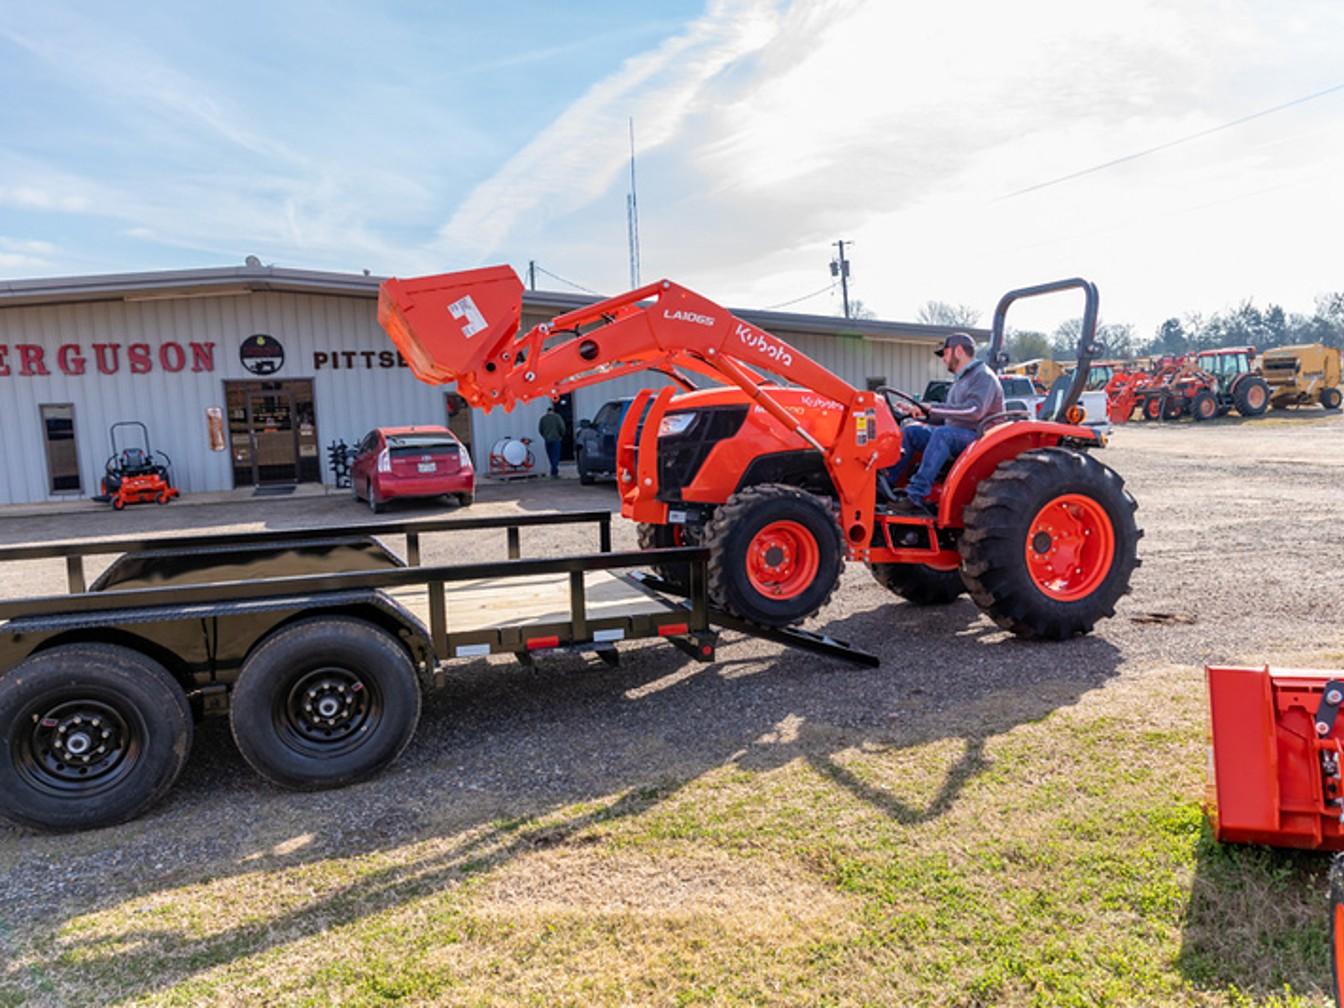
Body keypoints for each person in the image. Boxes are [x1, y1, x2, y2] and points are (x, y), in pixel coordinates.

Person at [884, 331, 1004, 516]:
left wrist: (932, 408)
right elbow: (949, 415)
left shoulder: (983, 377)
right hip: (957, 432)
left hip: (979, 437)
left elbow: (974, 411)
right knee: (911, 431)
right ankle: (886, 485)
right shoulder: (961, 380)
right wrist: (918, 413)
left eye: (945, 353)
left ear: (958, 351)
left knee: (943, 435)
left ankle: (915, 495)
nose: (943, 359)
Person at [538, 405, 566, 478]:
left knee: (550, 456)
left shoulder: (543, 419)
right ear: (553, 411)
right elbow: (562, 427)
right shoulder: (557, 417)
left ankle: (553, 471)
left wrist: (545, 436)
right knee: (556, 456)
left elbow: (540, 430)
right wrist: (561, 435)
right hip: (556, 439)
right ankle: (554, 472)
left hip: (547, 440)